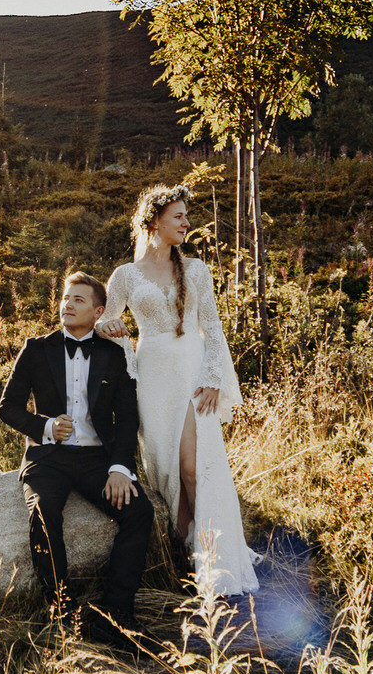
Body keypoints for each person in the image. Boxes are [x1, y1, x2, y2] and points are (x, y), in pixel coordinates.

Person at [96, 184, 261, 602]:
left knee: (193, 466)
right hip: (152, 375)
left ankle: (215, 562)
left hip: (191, 368)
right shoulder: (125, 276)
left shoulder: (197, 270)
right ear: (153, 221)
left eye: (187, 216)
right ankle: (185, 552)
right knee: (167, 470)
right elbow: (105, 323)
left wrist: (213, 376)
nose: (187, 222)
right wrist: (113, 332)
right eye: (178, 216)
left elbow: (214, 328)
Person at [0, 271, 156, 648]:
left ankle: (116, 616)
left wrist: (120, 468)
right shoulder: (36, 348)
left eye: (78, 300)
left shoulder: (115, 354)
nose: (66, 305)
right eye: (65, 298)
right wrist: (47, 426)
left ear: (99, 311)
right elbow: (8, 408)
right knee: (44, 513)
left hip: (97, 459)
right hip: (47, 458)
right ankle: (63, 614)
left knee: (139, 512)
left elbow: (127, 417)